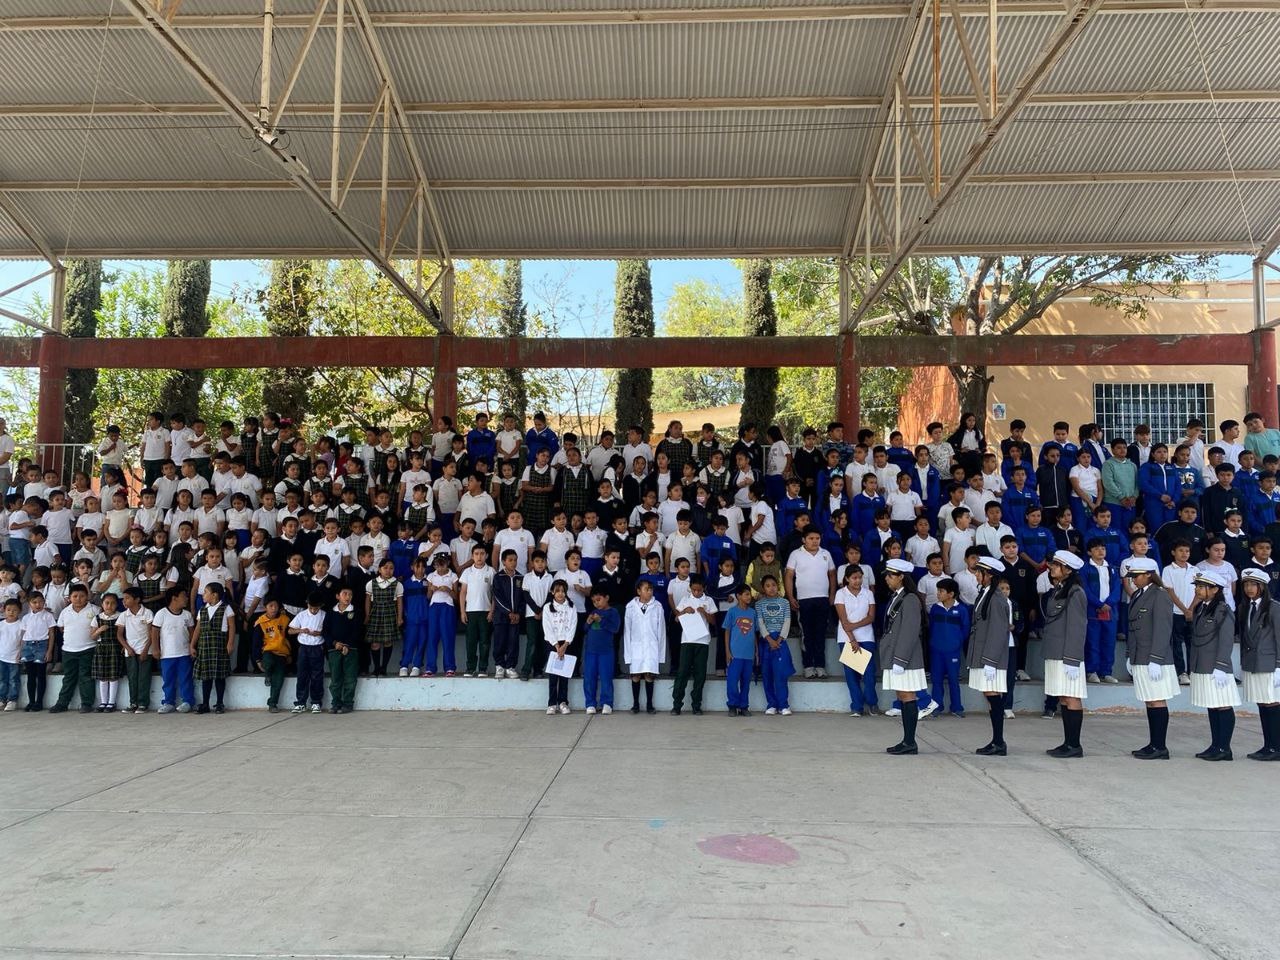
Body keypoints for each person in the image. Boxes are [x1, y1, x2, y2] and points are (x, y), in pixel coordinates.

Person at [1124, 557, 1180, 760]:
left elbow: (1163, 629)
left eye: (1136, 576)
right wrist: (1130, 655)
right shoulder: (1139, 594)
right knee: (1149, 701)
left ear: (1149, 575)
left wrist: (1156, 658)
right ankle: (1153, 743)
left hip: (1155, 658)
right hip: (1140, 655)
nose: (1133, 580)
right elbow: (1133, 629)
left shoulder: (1160, 595)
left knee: (1157, 701)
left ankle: (1160, 746)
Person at [1188, 569, 1239, 761]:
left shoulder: (1223, 610)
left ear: (1215, 589)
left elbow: (1226, 640)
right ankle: (1215, 745)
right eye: (1197, 586)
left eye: (1202, 587)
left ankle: (1224, 748)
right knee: (1212, 705)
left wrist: (1221, 665)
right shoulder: (1201, 608)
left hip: (1217, 667)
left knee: (1223, 705)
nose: (1198, 590)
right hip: (1203, 664)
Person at [1040, 551, 1088, 757]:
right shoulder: (1059, 590)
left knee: (1072, 697)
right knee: (1063, 697)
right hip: (1055, 652)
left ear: (1067, 570)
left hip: (1067, 655)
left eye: (1056, 565)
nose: (1051, 567)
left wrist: (1072, 659)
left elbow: (1077, 627)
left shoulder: (1075, 593)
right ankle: (1068, 742)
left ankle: (1074, 745)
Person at [879, 558, 925, 755]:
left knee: (907, 696)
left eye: (891, 575)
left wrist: (900, 660)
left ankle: (910, 741)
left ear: (901, 577)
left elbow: (909, 631)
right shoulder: (898, 597)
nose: (887, 579)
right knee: (902, 696)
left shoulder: (910, 599)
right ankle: (907, 740)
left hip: (905, 658)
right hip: (897, 654)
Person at [967, 557, 1011, 755]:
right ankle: (996, 740)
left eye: (979, 572)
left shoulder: (996, 598)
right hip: (983, 654)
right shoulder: (986, 594)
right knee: (990, 696)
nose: (976, 575)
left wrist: (991, 662)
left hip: (991, 657)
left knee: (993, 697)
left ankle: (999, 742)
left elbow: (998, 631)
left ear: (989, 575)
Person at [1238, 568, 1280, 760]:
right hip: (1253, 663)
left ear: (1262, 586)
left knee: (1272, 704)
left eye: (1253, 584)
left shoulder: (1273, 607)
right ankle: (1268, 745)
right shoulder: (1244, 607)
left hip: (1269, 663)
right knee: (1262, 704)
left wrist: (1279, 666)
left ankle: (1275, 747)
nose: (1249, 588)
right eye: (1246, 584)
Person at [784, 525, 836, 678]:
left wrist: (832, 594)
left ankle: (820, 666)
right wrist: (791, 597)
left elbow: (832, 575)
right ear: (803, 539)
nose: (815, 541)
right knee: (806, 634)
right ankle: (808, 666)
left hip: (822, 599)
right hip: (804, 600)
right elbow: (789, 576)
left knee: (820, 633)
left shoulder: (826, 554)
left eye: (817, 538)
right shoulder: (795, 554)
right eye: (811, 538)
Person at [928, 578, 969, 717]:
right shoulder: (935, 608)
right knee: (936, 680)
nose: (938, 593)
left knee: (953, 680)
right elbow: (931, 627)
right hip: (936, 651)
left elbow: (965, 629)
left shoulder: (962, 610)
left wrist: (957, 642)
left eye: (941, 591)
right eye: (938, 591)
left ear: (951, 594)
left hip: (953, 652)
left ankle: (957, 707)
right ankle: (936, 707)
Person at [191, 582, 233, 714]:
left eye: (205, 592)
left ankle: (220, 703)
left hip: (219, 645)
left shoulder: (226, 608)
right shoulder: (203, 609)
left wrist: (230, 643)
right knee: (206, 676)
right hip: (204, 645)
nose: (203, 595)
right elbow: (197, 629)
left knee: (219, 676)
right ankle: (205, 704)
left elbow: (232, 627)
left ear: (214, 595)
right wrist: (192, 645)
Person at [624, 579, 666, 714]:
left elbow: (661, 631)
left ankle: (649, 705)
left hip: (651, 646)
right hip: (635, 647)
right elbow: (627, 632)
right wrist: (628, 655)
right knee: (635, 675)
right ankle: (635, 704)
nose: (649, 592)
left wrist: (660, 654)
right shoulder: (630, 607)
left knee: (649, 675)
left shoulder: (658, 606)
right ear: (638, 591)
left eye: (651, 589)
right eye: (646, 589)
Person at [152, 586, 195, 714]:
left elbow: (192, 633)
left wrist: (192, 647)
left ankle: (187, 701)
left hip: (184, 653)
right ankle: (168, 702)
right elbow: (154, 632)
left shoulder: (187, 615)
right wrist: (155, 648)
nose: (186, 598)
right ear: (174, 598)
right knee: (168, 679)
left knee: (185, 678)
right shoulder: (161, 614)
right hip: (167, 654)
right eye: (183, 596)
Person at [754, 574, 793, 716]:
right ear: (763, 589)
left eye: (774, 585)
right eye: (768, 586)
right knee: (767, 674)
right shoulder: (759, 604)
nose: (771, 588)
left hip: (780, 641)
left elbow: (787, 621)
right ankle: (771, 704)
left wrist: (779, 639)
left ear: (778, 586)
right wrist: (769, 639)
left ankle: (783, 705)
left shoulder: (785, 603)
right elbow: (760, 622)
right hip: (766, 641)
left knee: (780, 674)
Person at [288, 590, 327, 714]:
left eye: (316, 608)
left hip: (317, 647)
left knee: (317, 675)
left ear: (320, 606)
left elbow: (328, 631)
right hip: (303, 648)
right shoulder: (302, 615)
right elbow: (290, 630)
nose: (313, 610)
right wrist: (300, 630)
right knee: (302, 675)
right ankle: (300, 702)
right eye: (311, 608)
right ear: (307, 604)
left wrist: (319, 633)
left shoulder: (324, 615)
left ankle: (316, 702)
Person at [364, 557, 403, 677]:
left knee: (387, 641)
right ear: (379, 569)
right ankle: (376, 668)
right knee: (375, 643)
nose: (388, 570)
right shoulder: (371, 583)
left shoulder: (397, 584)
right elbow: (368, 601)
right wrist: (367, 616)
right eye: (385, 568)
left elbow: (399, 602)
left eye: (391, 568)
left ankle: (384, 668)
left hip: (389, 613)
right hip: (375, 614)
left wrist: (399, 617)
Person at [253, 597, 291, 713]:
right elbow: (256, 643)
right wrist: (258, 660)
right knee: (269, 662)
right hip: (268, 651)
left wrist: (290, 654)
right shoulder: (260, 622)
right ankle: (268, 674)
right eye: (271, 606)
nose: (274, 608)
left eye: (276, 606)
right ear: (265, 607)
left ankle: (273, 704)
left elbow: (290, 639)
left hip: (282, 653)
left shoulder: (285, 620)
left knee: (278, 680)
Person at [723, 584, 756, 716]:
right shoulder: (732, 612)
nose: (749, 597)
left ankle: (744, 706)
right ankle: (732, 705)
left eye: (750, 594)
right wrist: (727, 651)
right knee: (732, 681)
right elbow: (727, 632)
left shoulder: (753, 612)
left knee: (746, 682)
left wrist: (756, 650)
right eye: (746, 594)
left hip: (749, 654)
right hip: (735, 654)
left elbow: (754, 633)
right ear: (738, 596)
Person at [19, 591, 55, 711]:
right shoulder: (26, 617)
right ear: (29, 603)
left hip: (41, 645)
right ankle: (31, 701)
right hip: (27, 646)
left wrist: (49, 651)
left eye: (40, 602)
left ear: (44, 602)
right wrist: (20, 650)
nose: (38, 604)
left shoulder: (48, 616)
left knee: (40, 675)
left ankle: (39, 702)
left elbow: (52, 634)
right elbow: (23, 634)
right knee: (31, 675)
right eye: (34, 602)